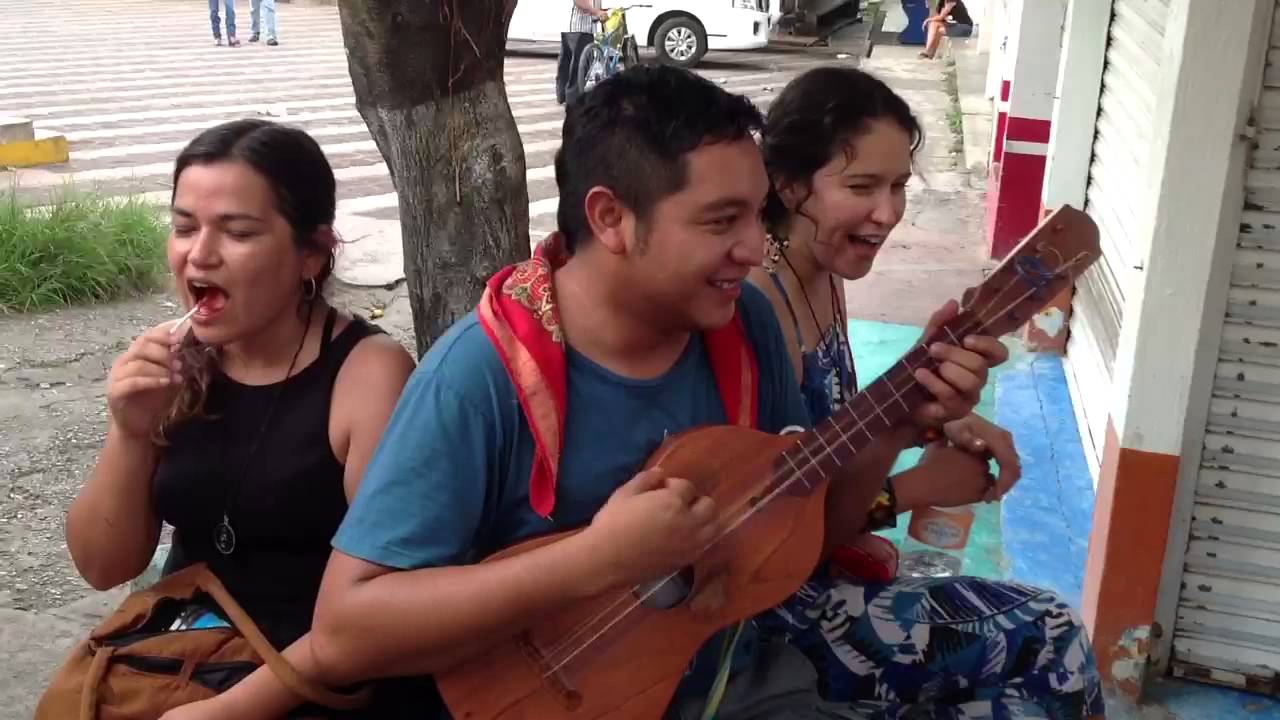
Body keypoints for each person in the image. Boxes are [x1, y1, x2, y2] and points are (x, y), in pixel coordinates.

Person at [303, 64, 1006, 718]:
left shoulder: (744, 325)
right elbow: (344, 633)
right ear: (610, 218)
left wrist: (894, 423)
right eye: (720, 220)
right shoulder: (481, 375)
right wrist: (594, 561)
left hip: (727, 680)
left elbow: (805, 533)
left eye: (759, 215)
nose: (755, 247)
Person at [748, 65, 1106, 719]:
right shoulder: (756, 310)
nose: (888, 213)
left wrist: (927, 417)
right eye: (862, 186)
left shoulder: (819, 277)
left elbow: (836, 431)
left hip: (819, 582)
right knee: (1051, 639)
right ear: (790, 185)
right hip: (773, 622)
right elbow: (779, 532)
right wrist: (914, 487)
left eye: (899, 186)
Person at [64, 119, 431, 719]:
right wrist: (129, 433)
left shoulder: (369, 376)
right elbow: (104, 565)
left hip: (321, 678)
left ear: (311, 253)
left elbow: (391, 607)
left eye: (237, 232)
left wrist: (232, 710)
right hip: (192, 650)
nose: (199, 254)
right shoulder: (180, 364)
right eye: (184, 227)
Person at [557, 0, 607, 104]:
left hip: (568, 26)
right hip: (580, 28)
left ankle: (562, 95)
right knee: (578, 66)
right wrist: (597, 12)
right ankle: (572, 100)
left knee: (566, 62)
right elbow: (580, 2)